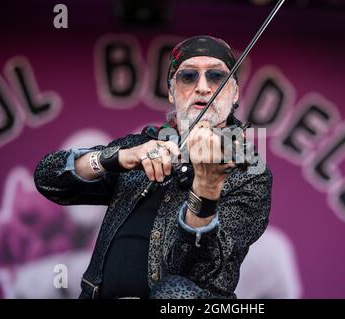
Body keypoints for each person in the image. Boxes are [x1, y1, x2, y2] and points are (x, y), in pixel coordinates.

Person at [34, 35, 272, 299]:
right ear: (171, 91)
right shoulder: (143, 144)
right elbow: (49, 179)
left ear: (235, 92)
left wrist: (206, 187)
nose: (203, 87)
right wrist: (118, 158)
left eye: (217, 77)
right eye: (188, 77)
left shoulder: (248, 171)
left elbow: (201, 270)